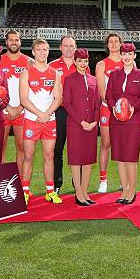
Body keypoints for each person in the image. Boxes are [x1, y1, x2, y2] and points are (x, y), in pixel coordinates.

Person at [19, 38, 63, 205]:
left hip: (49, 120)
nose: (42, 53)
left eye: (45, 50)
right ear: (33, 52)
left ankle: (50, 191)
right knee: (28, 156)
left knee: (49, 156)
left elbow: (58, 98)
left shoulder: (55, 73)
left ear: (48, 51)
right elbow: (24, 99)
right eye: (39, 50)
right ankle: (25, 191)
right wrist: (39, 114)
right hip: (32, 120)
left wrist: (47, 114)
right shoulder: (26, 72)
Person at [106, 43, 140, 204]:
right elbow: (108, 96)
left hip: (134, 120)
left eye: (130, 54)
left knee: (130, 157)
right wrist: (115, 109)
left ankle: (132, 191)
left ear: (134, 56)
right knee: (120, 157)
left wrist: (132, 109)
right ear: (121, 56)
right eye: (124, 54)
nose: (127, 57)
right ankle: (124, 190)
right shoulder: (114, 75)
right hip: (116, 121)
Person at [62, 49, 100, 206]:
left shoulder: (93, 80)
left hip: (91, 126)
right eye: (80, 61)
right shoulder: (69, 79)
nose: (83, 64)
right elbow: (67, 103)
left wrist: (95, 121)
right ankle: (78, 192)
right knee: (77, 160)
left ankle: (85, 191)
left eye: (85, 61)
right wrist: (81, 121)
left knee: (88, 160)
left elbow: (97, 103)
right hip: (76, 126)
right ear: (75, 62)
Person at [48, 35, 83, 194]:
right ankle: (56, 183)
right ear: (60, 48)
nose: (69, 48)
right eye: (65, 46)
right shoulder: (52, 66)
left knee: (77, 149)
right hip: (60, 111)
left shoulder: (82, 65)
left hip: (77, 113)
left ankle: (78, 184)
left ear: (75, 48)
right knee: (57, 149)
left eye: (71, 46)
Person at [94, 33, 124, 193]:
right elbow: (101, 90)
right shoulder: (101, 64)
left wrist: (124, 106)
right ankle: (103, 180)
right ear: (107, 45)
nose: (113, 44)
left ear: (120, 44)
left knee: (122, 145)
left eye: (116, 41)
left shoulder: (128, 62)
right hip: (107, 108)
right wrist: (113, 104)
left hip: (124, 110)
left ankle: (123, 180)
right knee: (106, 144)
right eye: (110, 41)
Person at [0, 30, 31, 173]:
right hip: (1, 110)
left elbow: (32, 87)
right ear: (6, 42)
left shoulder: (29, 61)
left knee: (21, 146)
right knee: (0, 146)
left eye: (16, 40)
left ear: (20, 42)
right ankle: (1, 179)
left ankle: (20, 183)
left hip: (22, 110)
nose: (14, 42)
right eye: (11, 40)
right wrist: (7, 108)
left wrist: (19, 108)